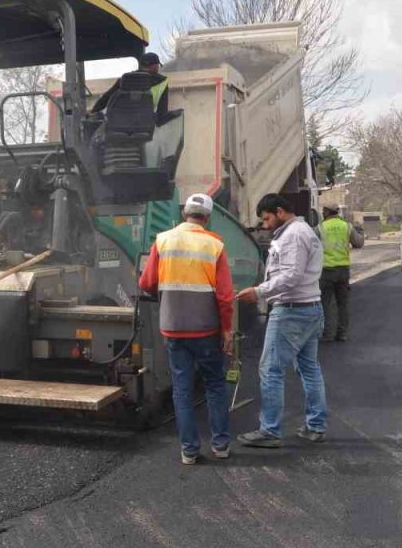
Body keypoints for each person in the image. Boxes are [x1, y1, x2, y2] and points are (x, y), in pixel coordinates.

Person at [138, 193, 235, 465]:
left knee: (181, 390)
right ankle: (220, 446)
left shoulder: (163, 240)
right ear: (208, 217)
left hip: (173, 329)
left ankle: (189, 451)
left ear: (184, 214)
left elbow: (146, 283)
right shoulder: (214, 245)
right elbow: (225, 296)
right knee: (215, 385)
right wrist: (226, 329)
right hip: (206, 330)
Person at [235, 194, 328, 447]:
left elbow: (291, 275)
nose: (265, 225)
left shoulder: (293, 235)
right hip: (309, 308)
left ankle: (270, 431)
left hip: (291, 312)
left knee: (270, 370)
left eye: (267, 219)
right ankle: (315, 425)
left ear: (279, 211)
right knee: (309, 369)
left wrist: (259, 292)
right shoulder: (301, 231)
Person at [318, 206, 364, 342]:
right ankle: (342, 333)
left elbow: (310, 245)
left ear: (326, 212)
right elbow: (358, 243)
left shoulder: (320, 227)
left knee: (324, 304)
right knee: (342, 304)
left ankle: (326, 334)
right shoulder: (347, 226)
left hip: (326, 271)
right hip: (342, 270)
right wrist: (360, 231)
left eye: (323, 212)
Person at [90, 52, 169, 123]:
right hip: (145, 126)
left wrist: (93, 111)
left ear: (141, 65)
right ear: (155, 66)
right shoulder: (162, 82)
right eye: (158, 65)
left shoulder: (125, 79)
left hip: (120, 125)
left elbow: (106, 97)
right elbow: (162, 113)